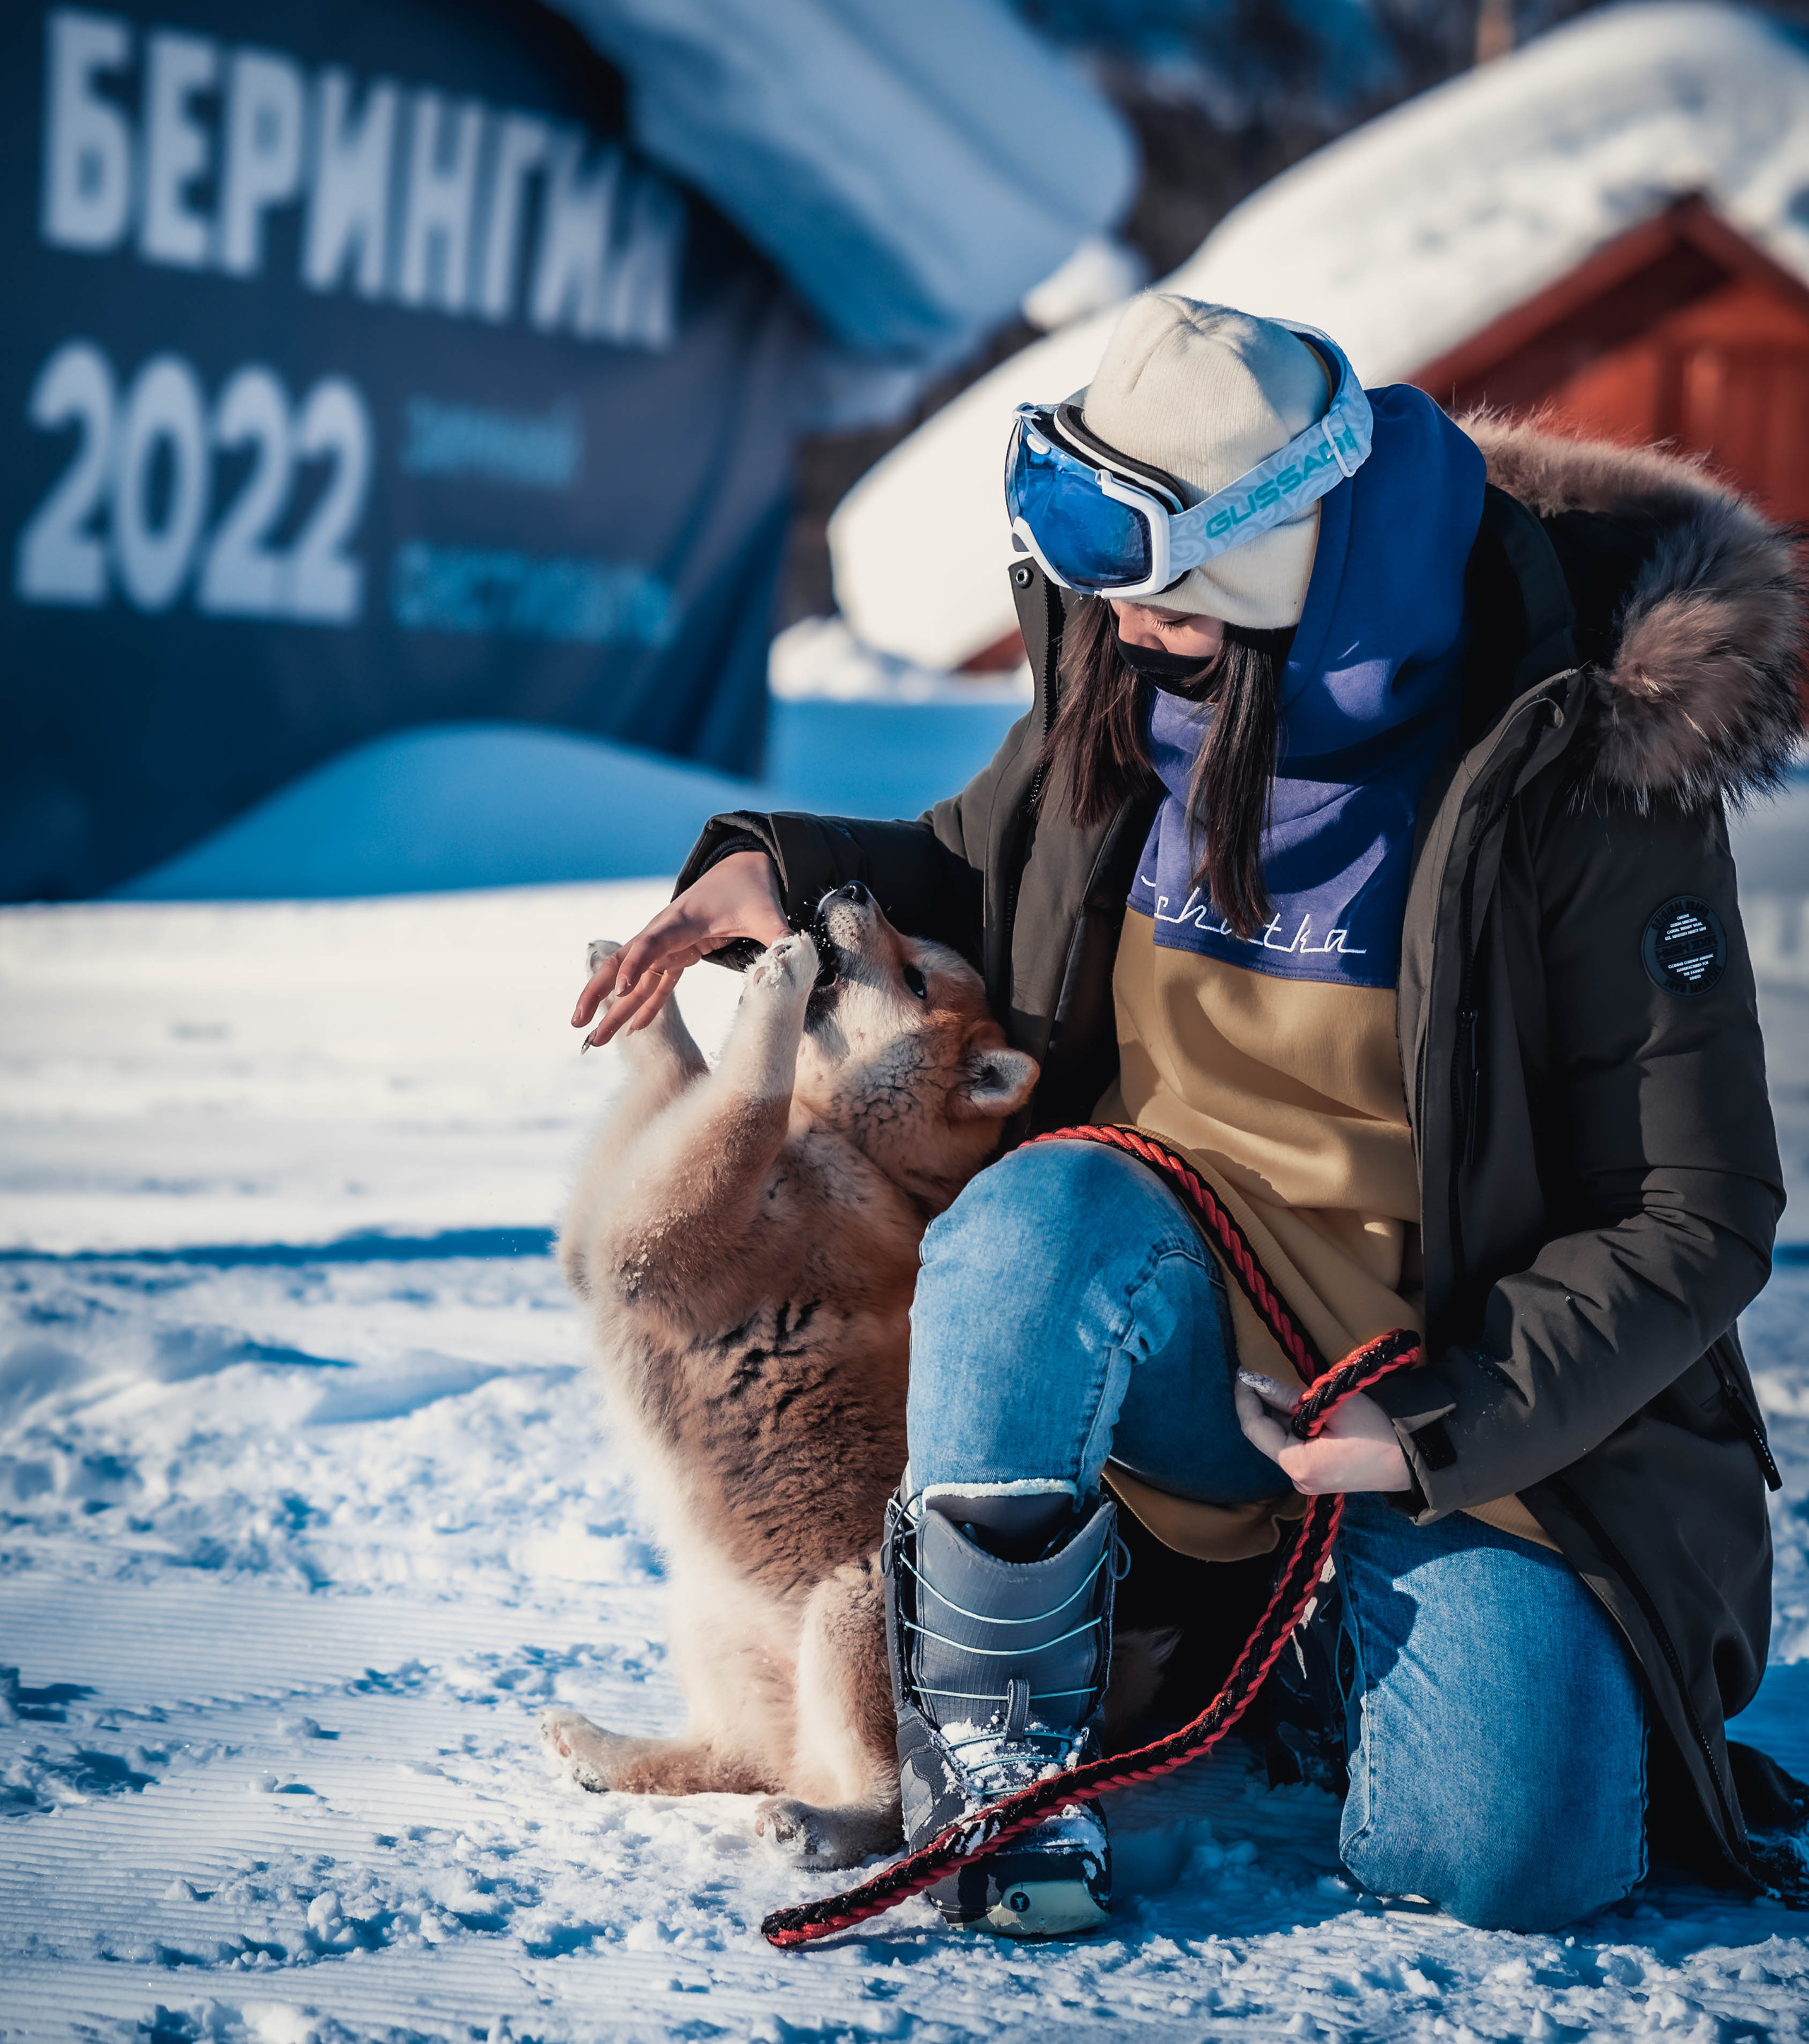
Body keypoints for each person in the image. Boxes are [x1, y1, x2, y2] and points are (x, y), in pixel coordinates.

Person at [572, 296, 1801, 1938]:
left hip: (1450, 1413)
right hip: (1158, 1332)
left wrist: (1435, 1428)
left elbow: (1694, 1211)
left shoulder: (1570, 765)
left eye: (1162, 602)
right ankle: (993, 1761)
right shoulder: (1130, 670)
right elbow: (982, 865)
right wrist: (775, 875)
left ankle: (1321, 1648)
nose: (1120, 632)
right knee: (1034, 1217)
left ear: (1285, 562)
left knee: (1510, 1865)